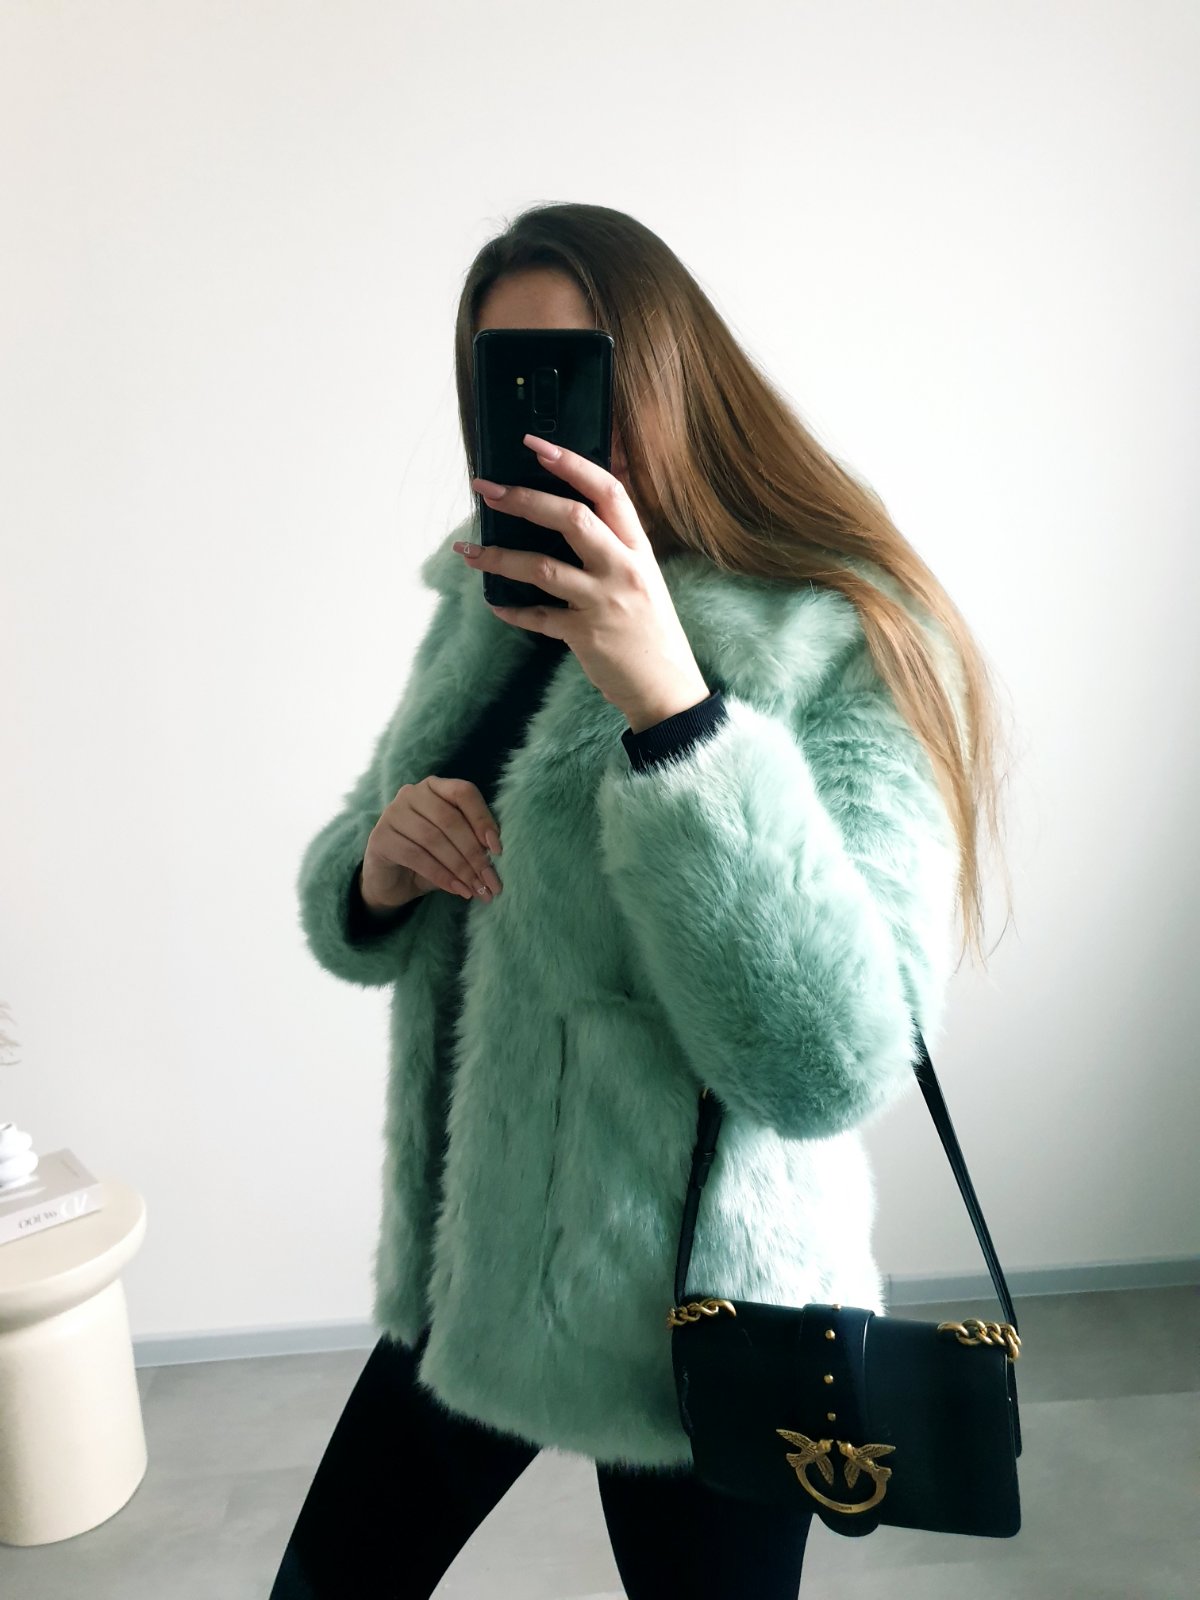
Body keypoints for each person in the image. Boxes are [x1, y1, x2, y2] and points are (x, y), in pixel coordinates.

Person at [270, 201, 1011, 1599]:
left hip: (701, 1322)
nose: (546, 419)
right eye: (507, 377)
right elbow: (350, 893)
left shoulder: (842, 628)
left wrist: (675, 709)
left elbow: (833, 1063)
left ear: (671, 371)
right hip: (469, 1278)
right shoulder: (488, 596)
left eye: (578, 372)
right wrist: (380, 865)